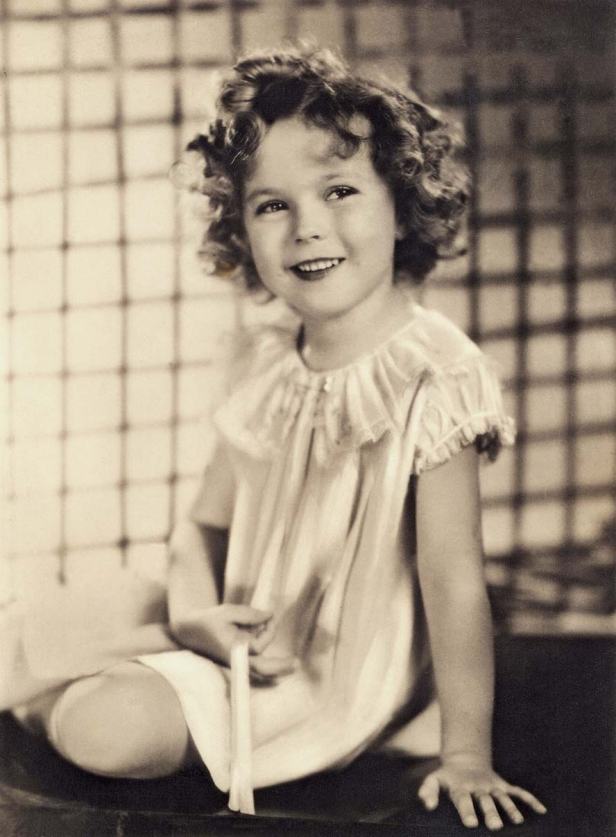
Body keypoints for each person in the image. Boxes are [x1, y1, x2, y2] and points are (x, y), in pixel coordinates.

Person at [14, 44, 547, 831]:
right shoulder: (263, 360)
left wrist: (466, 752)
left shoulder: (437, 377)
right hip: (230, 633)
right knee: (53, 620)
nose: (308, 228)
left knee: (103, 724)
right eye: (272, 205)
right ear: (240, 227)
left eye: (339, 190)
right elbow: (202, 526)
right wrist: (194, 616)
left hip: (327, 676)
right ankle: (74, 679)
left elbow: (454, 579)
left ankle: (66, 696)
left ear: (402, 204)